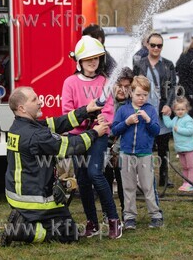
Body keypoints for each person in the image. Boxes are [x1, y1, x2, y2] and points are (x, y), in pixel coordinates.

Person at [2, 86, 107, 246]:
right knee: (70, 234)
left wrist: (86, 110)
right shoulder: (35, 135)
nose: (39, 102)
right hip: (34, 199)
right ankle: (22, 231)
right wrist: (95, 133)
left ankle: (24, 219)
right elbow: (71, 146)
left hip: (17, 195)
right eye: (34, 100)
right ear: (22, 108)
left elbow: (57, 123)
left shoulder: (19, 127)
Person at [62, 36, 122, 238]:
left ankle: (114, 220)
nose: (92, 62)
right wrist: (86, 118)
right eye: (88, 59)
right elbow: (67, 112)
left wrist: (100, 122)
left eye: (96, 58)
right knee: (82, 179)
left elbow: (109, 111)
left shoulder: (105, 82)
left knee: (95, 174)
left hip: (98, 137)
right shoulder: (69, 82)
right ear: (79, 61)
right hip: (78, 138)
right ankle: (92, 223)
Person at [112, 75, 164, 230]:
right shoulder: (123, 110)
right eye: (138, 95)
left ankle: (156, 215)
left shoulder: (150, 110)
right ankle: (129, 217)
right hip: (126, 154)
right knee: (128, 187)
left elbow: (156, 131)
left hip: (145, 155)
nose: (142, 98)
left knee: (148, 186)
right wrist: (126, 123)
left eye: (145, 95)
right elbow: (114, 129)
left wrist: (148, 120)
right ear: (131, 93)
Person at [133, 32, 176, 188]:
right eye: (153, 45)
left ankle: (164, 179)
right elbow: (134, 86)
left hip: (161, 111)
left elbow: (173, 87)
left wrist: (169, 105)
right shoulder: (139, 63)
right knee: (146, 149)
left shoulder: (168, 64)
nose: (156, 48)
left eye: (159, 45)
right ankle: (145, 179)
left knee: (163, 147)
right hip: (144, 111)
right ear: (147, 45)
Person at [104, 67, 134, 219]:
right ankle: (108, 214)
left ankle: (126, 213)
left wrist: (116, 150)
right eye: (119, 85)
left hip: (123, 147)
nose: (122, 90)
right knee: (105, 181)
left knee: (124, 182)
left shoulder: (132, 105)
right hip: (104, 145)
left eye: (127, 87)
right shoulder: (105, 101)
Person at [163, 97, 193, 192]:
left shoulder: (188, 120)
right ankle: (185, 182)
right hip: (180, 148)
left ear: (187, 109)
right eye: (178, 109)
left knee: (190, 166)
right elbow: (169, 124)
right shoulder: (175, 119)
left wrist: (179, 130)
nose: (180, 111)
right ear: (174, 110)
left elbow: (190, 131)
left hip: (189, 148)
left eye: (182, 109)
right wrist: (165, 115)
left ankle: (190, 184)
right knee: (184, 167)